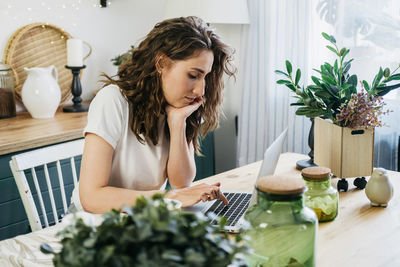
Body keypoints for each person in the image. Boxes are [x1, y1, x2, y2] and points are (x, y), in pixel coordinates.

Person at [70, 16, 235, 214]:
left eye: (205, 77)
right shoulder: (113, 100)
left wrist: (178, 123)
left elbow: (181, 182)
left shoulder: (177, 107)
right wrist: (171, 198)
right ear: (161, 63)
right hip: (94, 221)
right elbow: (92, 198)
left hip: (144, 217)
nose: (200, 91)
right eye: (193, 75)